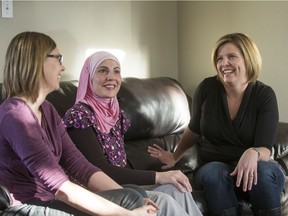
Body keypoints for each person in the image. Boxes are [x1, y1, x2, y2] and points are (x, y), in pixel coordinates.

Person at [0, 31, 158, 216]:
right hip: (26, 206)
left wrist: (125, 194)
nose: (63, 67)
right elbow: (60, 187)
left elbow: (78, 165)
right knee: (130, 201)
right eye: (58, 58)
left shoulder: (48, 110)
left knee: (134, 193)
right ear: (36, 62)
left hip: (51, 198)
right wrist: (129, 213)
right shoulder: (16, 117)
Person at [147, 33, 285, 216]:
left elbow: (265, 149)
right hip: (215, 170)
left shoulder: (264, 95)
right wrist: (175, 155)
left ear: (248, 59)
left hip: (255, 170)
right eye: (219, 58)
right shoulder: (206, 89)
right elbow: (194, 130)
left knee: (264, 171)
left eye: (231, 57)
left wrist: (253, 152)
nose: (223, 63)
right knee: (214, 171)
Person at [62, 51, 203, 216]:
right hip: (97, 194)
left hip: (123, 187)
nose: (111, 77)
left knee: (178, 188)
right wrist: (158, 176)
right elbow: (101, 170)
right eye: (102, 70)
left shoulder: (115, 113)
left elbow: (121, 164)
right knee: (163, 201)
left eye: (116, 71)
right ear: (89, 77)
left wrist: (162, 176)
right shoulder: (79, 115)